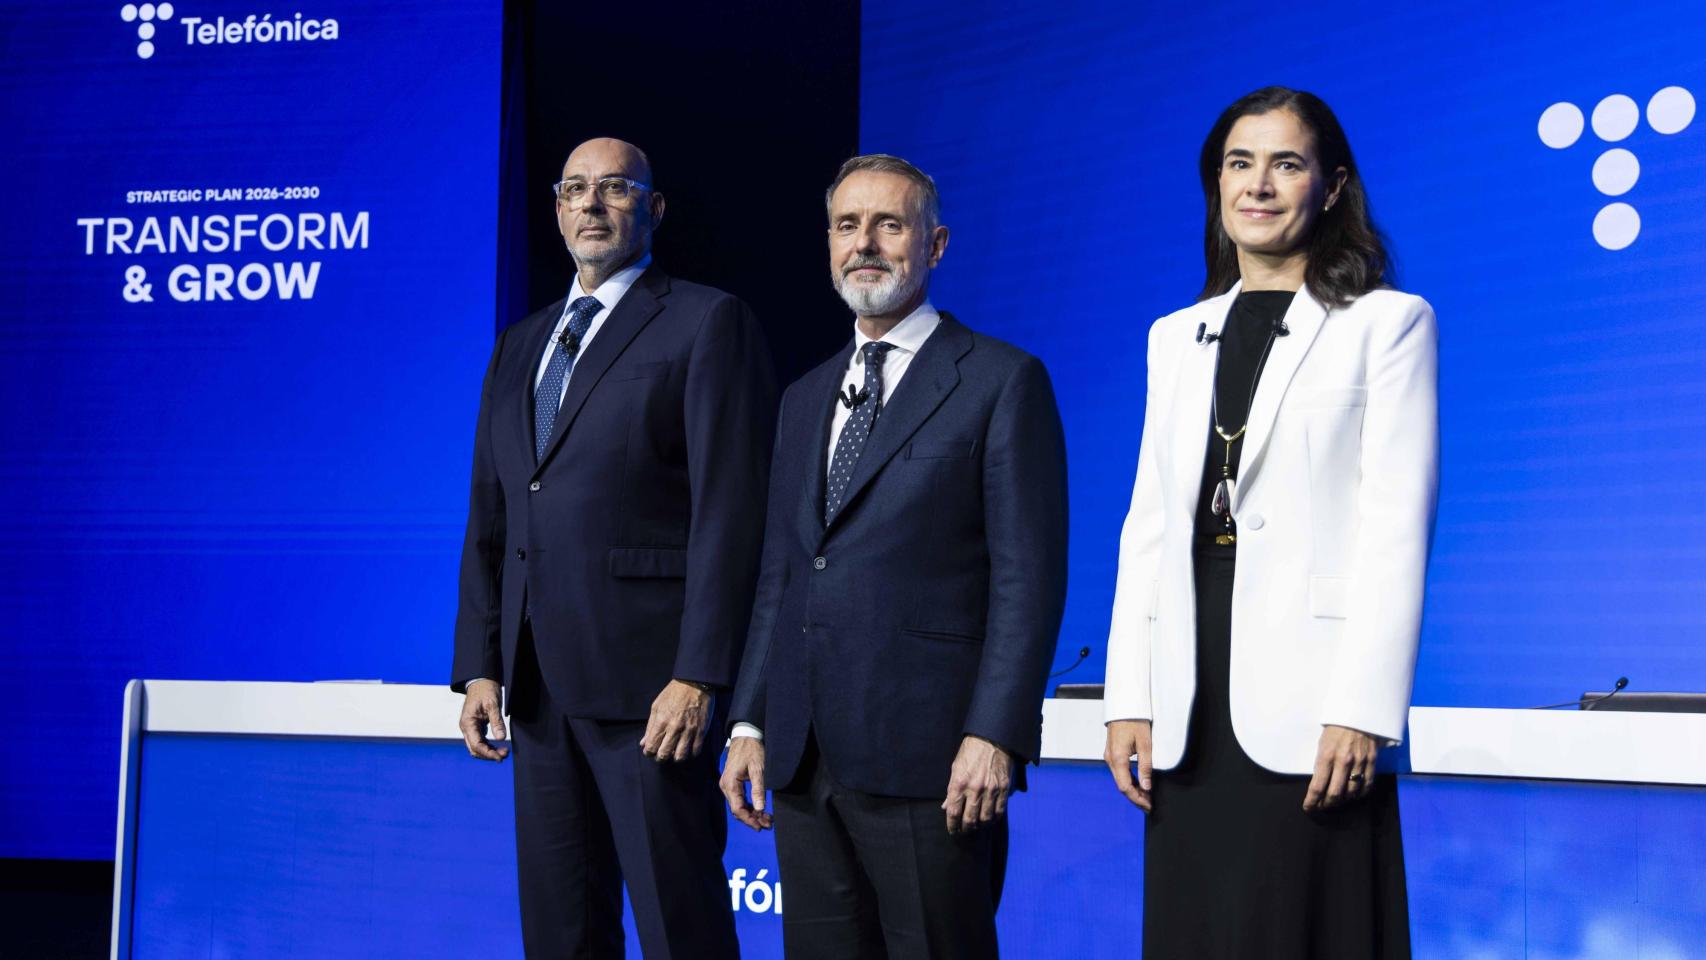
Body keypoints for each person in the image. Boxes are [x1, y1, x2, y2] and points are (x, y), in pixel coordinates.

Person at [1102, 87, 1437, 958]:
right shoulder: (1175, 336)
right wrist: (1128, 695)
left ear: (1330, 188)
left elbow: (1397, 529)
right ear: (1216, 185)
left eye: (1287, 163)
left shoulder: (1386, 324)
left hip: (1314, 694)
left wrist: (1363, 707)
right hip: (1189, 687)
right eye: (1239, 164)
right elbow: (1146, 527)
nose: (1259, 184)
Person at [719, 154, 1069, 960]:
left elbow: (1029, 579)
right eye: (848, 225)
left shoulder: (1000, 381)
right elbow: (782, 571)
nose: (865, 244)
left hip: (936, 762)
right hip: (807, 762)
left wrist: (996, 734)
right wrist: (748, 718)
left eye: (890, 224)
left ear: (936, 244)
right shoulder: (804, 398)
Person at [450, 137, 776, 958]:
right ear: (557, 209)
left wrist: (701, 675)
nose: (592, 204)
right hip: (535, 687)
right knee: (560, 932)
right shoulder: (519, 344)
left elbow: (730, 515)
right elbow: (492, 513)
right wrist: (481, 663)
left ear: (653, 209)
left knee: (681, 924)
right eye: (575, 189)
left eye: (616, 188)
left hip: (651, 692)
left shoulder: (706, 320)